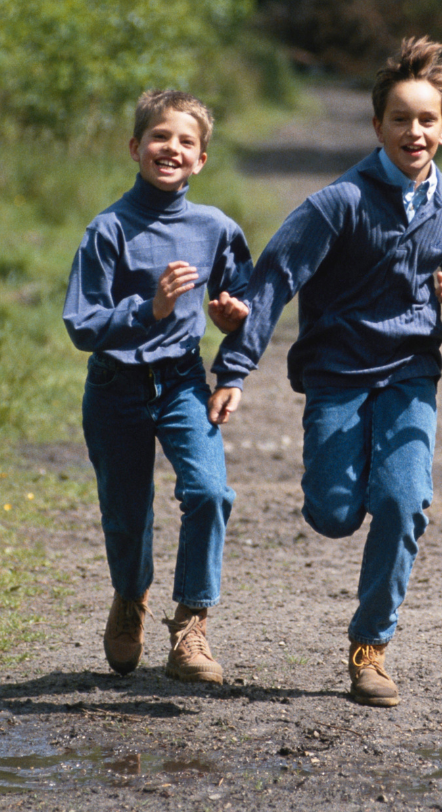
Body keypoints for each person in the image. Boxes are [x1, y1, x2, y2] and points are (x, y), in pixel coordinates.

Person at [211, 36, 442, 707]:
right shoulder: (336, 204)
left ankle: (371, 647)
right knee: (334, 514)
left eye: (427, 120)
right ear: (377, 127)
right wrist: (234, 368)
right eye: (401, 119)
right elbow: (274, 280)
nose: (414, 131)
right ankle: (355, 480)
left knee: (403, 501)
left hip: (409, 375)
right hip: (338, 373)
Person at [63, 89, 252, 684]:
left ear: (201, 159)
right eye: (160, 137)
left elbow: (247, 303)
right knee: (126, 514)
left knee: (210, 492)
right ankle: (129, 597)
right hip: (116, 385)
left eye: (186, 141)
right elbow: (82, 323)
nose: (171, 148)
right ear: (135, 147)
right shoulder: (108, 230)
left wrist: (232, 333)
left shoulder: (217, 229)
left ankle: (192, 624)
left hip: (180, 382)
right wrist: (151, 308)